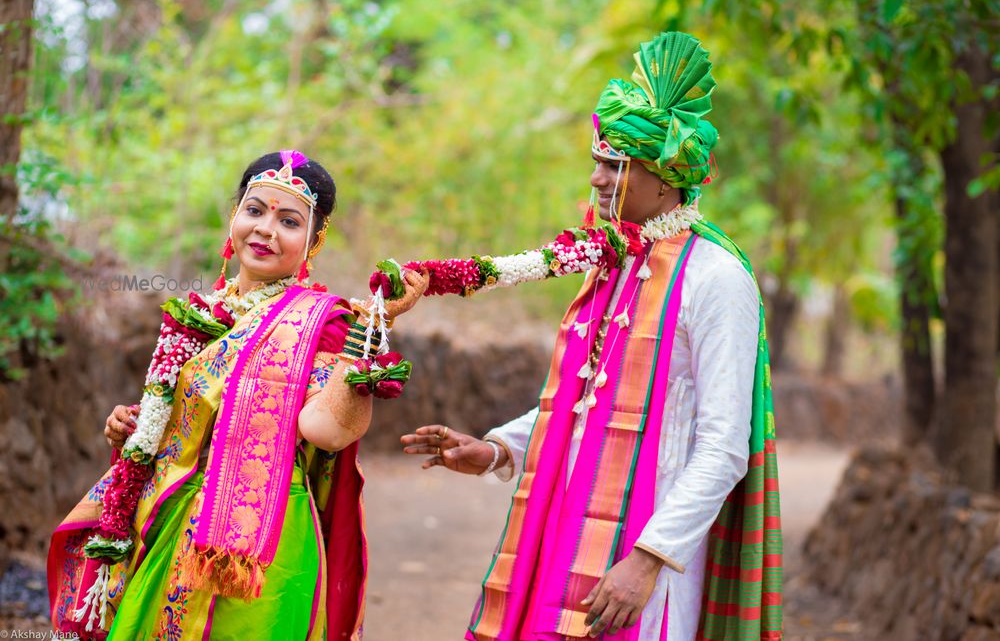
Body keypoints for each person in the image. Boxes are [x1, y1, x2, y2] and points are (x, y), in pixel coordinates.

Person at [401, 32, 782, 641]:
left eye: (615, 165)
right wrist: (498, 449)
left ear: (664, 178)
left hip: (648, 557)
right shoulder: (615, 263)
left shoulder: (716, 279)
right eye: (598, 162)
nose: (597, 179)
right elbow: (588, 403)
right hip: (566, 525)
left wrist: (648, 558)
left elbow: (723, 446)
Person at [48, 150, 428, 640]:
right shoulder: (196, 312)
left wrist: (374, 328)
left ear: (314, 243)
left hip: (262, 541)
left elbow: (326, 432)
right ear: (234, 218)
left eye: (289, 220)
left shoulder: (324, 324)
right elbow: (175, 429)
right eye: (255, 210)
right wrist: (126, 428)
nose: (265, 229)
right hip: (169, 523)